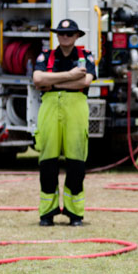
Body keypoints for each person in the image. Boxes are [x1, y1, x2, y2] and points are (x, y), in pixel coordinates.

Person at [31, 18, 96, 226]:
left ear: (77, 36)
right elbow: (37, 79)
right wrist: (70, 76)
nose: (65, 37)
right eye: (61, 33)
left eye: (69, 34)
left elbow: (85, 81)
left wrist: (52, 82)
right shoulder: (46, 56)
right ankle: (47, 213)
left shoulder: (85, 56)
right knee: (47, 162)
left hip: (76, 108)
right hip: (50, 109)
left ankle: (74, 213)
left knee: (76, 162)